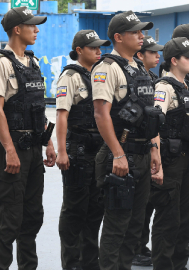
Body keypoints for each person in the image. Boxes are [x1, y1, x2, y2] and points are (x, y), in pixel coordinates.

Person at [92, 11, 163, 270]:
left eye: (141, 31)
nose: (141, 35)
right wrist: (118, 154)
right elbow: (101, 114)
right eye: (135, 32)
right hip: (120, 156)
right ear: (119, 37)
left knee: (135, 225)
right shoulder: (107, 68)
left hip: (143, 153)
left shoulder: (139, 69)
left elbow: (150, 114)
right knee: (116, 226)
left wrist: (154, 148)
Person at [0, 7, 56, 270]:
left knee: (31, 218)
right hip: (11, 149)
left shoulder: (33, 63)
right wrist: (9, 150)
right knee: (9, 220)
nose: (37, 29)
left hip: (32, 152)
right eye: (32, 25)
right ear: (18, 29)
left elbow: (37, 108)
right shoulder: (0, 63)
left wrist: (47, 142)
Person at [150, 37, 189, 270]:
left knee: (185, 217)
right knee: (168, 218)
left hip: (186, 160)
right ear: (174, 60)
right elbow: (154, 123)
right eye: (188, 57)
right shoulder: (164, 87)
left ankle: (179, 264)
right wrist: (158, 162)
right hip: (170, 160)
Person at [56, 30, 110, 270]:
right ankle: (72, 264)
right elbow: (61, 115)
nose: (99, 51)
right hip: (77, 152)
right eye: (93, 48)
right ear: (79, 50)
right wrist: (62, 151)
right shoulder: (70, 76)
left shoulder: (99, 74)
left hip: (98, 153)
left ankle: (90, 263)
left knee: (94, 211)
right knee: (74, 212)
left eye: (100, 47)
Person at [131, 35, 164, 267]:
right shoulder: (136, 78)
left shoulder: (153, 79)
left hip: (150, 147)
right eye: (153, 52)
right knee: (136, 208)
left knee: (147, 204)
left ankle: (140, 246)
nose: (157, 56)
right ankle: (136, 248)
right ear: (140, 55)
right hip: (133, 147)